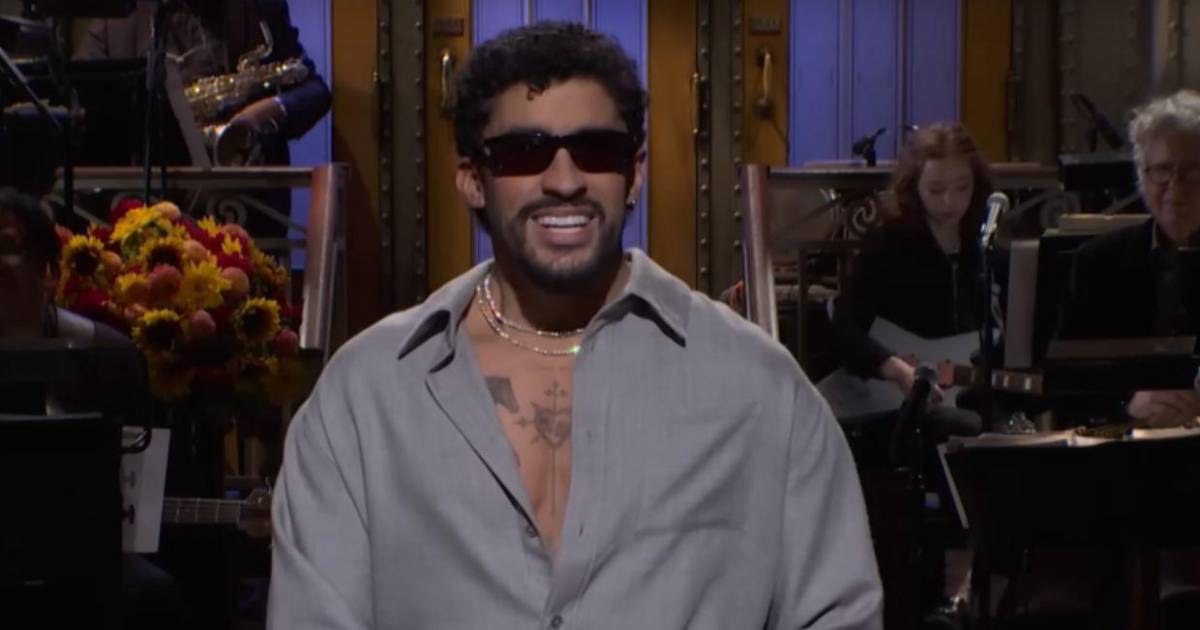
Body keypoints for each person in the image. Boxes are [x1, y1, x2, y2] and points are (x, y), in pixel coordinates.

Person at [268, 21, 881, 629]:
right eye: (524, 153)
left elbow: (837, 613)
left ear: (634, 174)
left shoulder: (757, 389)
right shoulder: (366, 397)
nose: (564, 182)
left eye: (597, 151)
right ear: (472, 179)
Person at [0, 187, 188, 630]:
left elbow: (137, 500)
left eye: (6, 246)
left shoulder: (107, 357)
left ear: (48, 272)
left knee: (150, 591)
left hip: (83, 560)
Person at [74, 0, 332, 238]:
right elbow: (78, 99)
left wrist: (265, 114)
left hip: (241, 220)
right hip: (142, 221)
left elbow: (315, 91)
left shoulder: (257, 7)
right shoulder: (116, 17)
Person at [832, 122, 993, 437]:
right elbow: (845, 328)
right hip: (888, 404)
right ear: (914, 187)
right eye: (936, 190)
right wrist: (895, 369)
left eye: (962, 188)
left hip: (957, 398)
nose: (949, 202)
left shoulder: (982, 247)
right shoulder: (888, 244)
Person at [1059, 89, 1200, 427]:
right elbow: (1066, 384)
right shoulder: (1098, 262)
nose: (1175, 187)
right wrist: (1127, 404)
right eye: (1162, 170)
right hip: (1126, 444)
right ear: (1142, 178)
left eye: (1193, 171)